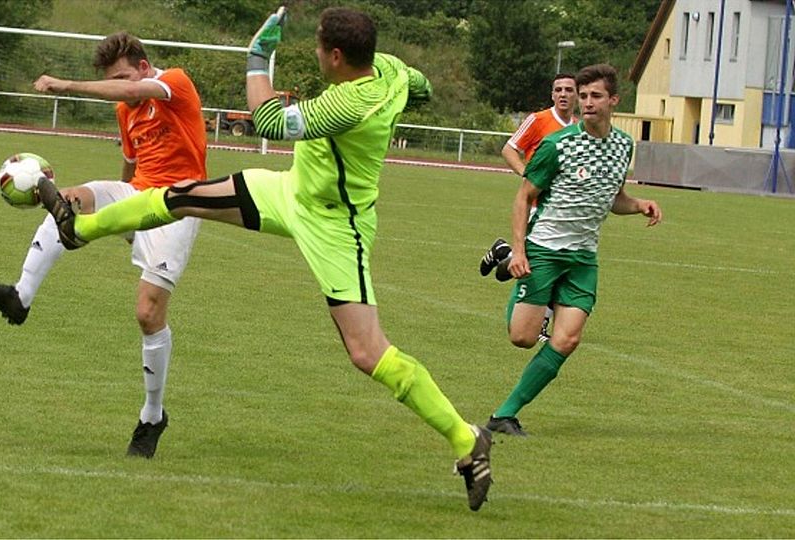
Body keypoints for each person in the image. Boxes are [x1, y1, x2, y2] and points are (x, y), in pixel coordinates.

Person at [35, 7, 494, 512]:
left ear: (337, 57)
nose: (316, 52)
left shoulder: (348, 103)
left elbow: (269, 119)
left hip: (336, 226)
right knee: (180, 195)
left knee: (367, 352)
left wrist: (258, 55)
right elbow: (421, 84)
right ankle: (78, 230)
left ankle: (467, 440)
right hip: (290, 191)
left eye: (319, 47)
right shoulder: (390, 70)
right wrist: (410, 93)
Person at [0, 32, 208, 458]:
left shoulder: (174, 82)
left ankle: (153, 416)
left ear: (141, 66)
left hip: (177, 203)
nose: (122, 87)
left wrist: (65, 85)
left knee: (147, 312)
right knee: (70, 201)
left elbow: (134, 91)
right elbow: (131, 164)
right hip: (137, 195)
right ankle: (20, 297)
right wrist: (119, 216)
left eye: (121, 76)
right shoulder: (126, 109)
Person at [485, 64, 662, 437]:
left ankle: (505, 414)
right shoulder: (557, 145)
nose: (587, 102)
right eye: (583, 96)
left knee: (567, 339)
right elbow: (524, 197)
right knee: (523, 338)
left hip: (583, 258)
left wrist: (639, 204)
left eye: (595, 96)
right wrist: (520, 251)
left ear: (614, 100)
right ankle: (507, 260)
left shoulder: (623, 146)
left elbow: (614, 200)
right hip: (544, 249)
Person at [479, 73, 578, 342]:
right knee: (545, 265)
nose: (563, 94)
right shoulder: (538, 120)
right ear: (552, 94)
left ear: (577, 95)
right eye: (558, 89)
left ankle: (503, 253)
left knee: (546, 263)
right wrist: (528, 176)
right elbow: (509, 149)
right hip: (537, 206)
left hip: (563, 211)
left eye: (569, 89)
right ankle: (540, 325)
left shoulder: (580, 127)